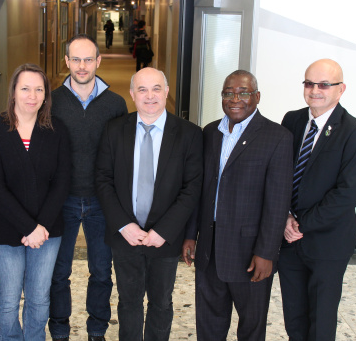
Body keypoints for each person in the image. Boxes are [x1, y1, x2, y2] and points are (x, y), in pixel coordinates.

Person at [182, 70, 293, 340]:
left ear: (256, 96)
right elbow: (200, 189)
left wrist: (266, 252)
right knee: (208, 323)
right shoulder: (209, 133)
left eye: (243, 92)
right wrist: (190, 235)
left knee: (252, 327)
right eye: (228, 93)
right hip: (209, 249)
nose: (235, 99)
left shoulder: (277, 137)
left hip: (250, 256)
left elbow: (277, 201)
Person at [96, 68, 203, 341]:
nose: (150, 96)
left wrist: (164, 230)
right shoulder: (114, 130)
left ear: (167, 92)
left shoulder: (189, 134)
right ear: (132, 94)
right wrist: (124, 225)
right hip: (125, 237)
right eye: (142, 89)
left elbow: (191, 189)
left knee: (161, 303)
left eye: (156, 88)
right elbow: (103, 181)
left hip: (165, 238)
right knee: (128, 303)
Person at [0, 64, 71, 340]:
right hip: (3, 230)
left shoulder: (56, 129)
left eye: (39, 89)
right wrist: (28, 228)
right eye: (25, 88)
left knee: (39, 298)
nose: (32, 95)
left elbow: (62, 182)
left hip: (47, 231)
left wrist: (40, 226)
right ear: (13, 93)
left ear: (46, 95)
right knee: (8, 300)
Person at [278, 59, 356, 341]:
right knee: (294, 315)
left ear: (341, 90)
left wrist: (300, 225)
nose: (315, 90)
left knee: (321, 319)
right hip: (289, 240)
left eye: (324, 84)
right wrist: (285, 218)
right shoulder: (292, 120)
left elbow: (347, 194)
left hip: (328, 241)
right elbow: (278, 175)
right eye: (309, 83)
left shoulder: (355, 132)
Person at [48, 34, 127, 341]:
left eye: (88, 59)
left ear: (98, 61)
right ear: (66, 61)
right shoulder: (51, 101)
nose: (82, 67)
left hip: (101, 201)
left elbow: (121, 157)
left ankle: (97, 330)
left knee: (102, 272)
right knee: (59, 273)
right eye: (75, 60)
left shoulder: (116, 104)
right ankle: (59, 329)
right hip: (62, 200)